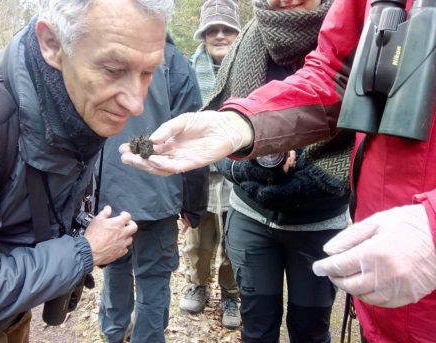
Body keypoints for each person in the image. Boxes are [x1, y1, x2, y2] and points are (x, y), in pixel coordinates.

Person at [119, 0, 436, 342]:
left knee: (311, 328)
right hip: (274, 220)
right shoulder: (263, 39)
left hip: (330, 223)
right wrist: (240, 125)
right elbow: (335, 75)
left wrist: (431, 230)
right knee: (257, 324)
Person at [0, 0, 172, 341]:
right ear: (52, 43)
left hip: (12, 318)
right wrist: (85, 250)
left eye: (148, 72)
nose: (136, 103)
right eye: (113, 69)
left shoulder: (72, 98)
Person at [206, 0, 353, 341]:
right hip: (251, 217)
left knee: (310, 331)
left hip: (320, 222)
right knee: (257, 328)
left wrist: (311, 173)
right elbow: (218, 136)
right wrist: (247, 169)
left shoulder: (353, 39)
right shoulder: (245, 43)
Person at [97, 33, 208, 343]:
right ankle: (145, 337)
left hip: (110, 193)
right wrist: (194, 206)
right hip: (159, 195)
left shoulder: (104, 54)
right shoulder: (174, 61)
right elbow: (192, 139)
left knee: (116, 267)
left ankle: (114, 334)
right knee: (153, 278)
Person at [178, 0, 241, 330]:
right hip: (200, 173)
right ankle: (197, 284)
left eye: (227, 29)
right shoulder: (186, 71)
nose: (219, 35)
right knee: (198, 241)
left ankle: (232, 293)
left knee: (235, 240)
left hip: (239, 173)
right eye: (212, 29)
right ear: (202, 35)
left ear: (237, 33)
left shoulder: (251, 70)